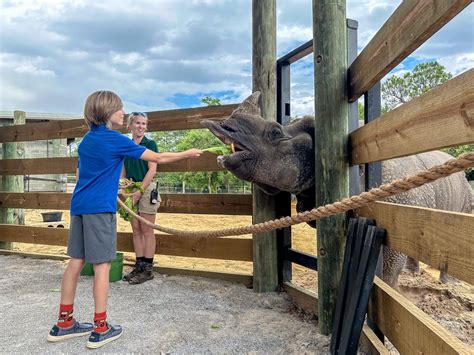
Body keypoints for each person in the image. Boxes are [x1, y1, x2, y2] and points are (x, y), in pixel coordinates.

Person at [46, 90, 201, 349]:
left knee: (75, 262)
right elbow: (158, 158)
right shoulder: (115, 139)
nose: (123, 113)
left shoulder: (86, 141)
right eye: (120, 109)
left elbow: (84, 172)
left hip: (80, 206)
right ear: (108, 113)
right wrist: (189, 153)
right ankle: (100, 326)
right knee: (102, 266)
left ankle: (64, 322)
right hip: (100, 209)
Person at [121, 112, 160, 285]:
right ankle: (139, 265)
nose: (141, 126)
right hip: (130, 187)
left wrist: (139, 191)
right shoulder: (126, 145)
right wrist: (123, 188)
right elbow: (122, 168)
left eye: (144, 124)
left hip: (146, 188)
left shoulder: (149, 144)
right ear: (130, 125)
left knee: (146, 229)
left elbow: (152, 170)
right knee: (135, 229)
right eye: (137, 123)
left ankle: (148, 268)